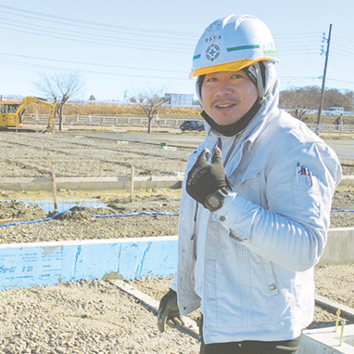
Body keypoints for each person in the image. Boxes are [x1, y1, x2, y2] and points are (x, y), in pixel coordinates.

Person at [157, 14, 342, 354]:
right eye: (211, 78)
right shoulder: (209, 148)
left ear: (264, 78)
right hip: (217, 327)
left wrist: (224, 201)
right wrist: (181, 289)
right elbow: (201, 233)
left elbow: (305, 249)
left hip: (264, 336)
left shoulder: (295, 148)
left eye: (238, 76)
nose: (222, 90)